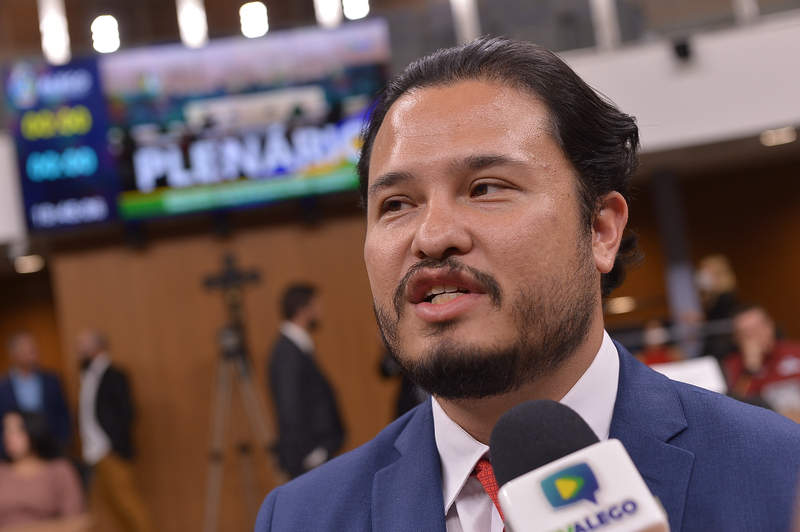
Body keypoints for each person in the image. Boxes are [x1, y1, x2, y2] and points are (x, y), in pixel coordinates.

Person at [255, 37, 800, 532]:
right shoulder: (302, 519)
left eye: (485, 188)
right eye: (396, 203)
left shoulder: (780, 475)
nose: (433, 237)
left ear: (601, 230)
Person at [76, 330, 154, 532]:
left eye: (82, 346)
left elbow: (128, 412)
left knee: (128, 502)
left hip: (111, 450)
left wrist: (114, 445)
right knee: (113, 505)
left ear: (96, 347)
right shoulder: (88, 375)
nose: (78, 351)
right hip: (94, 451)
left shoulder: (114, 375)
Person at [268, 284, 344, 479]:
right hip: (308, 460)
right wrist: (311, 453)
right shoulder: (287, 353)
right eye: (317, 306)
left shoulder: (297, 346)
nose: (321, 311)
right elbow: (289, 408)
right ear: (304, 310)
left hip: (318, 453)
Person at [0, 411, 89, 531]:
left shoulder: (59, 470)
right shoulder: (2, 472)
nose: (8, 436)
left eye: (17, 430)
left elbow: (75, 519)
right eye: (6, 430)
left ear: (33, 429)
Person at [724, 304, 800, 422]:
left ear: (771, 325)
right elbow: (735, 409)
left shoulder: (795, 351)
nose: (757, 336)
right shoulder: (732, 365)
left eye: (759, 327)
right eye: (747, 333)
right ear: (735, 339)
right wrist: (750, 369)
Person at [0, 332, 71, 456]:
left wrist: (63, 441)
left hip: (51, 446)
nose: (31, 354)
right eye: (26, 350)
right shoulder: (3, 386)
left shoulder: (52, 380)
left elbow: (63, 413)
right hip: (15, 452)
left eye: (33, 350)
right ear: (13, 354)